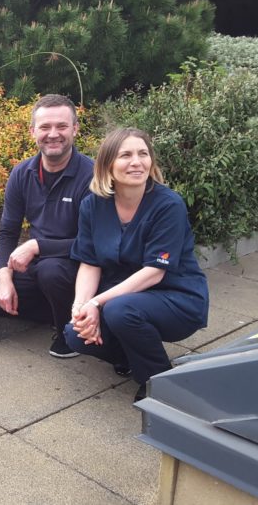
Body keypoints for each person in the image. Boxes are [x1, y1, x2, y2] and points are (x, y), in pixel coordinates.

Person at [64, 128, 209, 401]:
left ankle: (157, 381)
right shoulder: (92, 206)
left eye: (143, 154)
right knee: (74, 333)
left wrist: (97, 303)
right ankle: (133, 356)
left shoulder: (168, 205)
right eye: (125, 155)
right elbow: (89, 263)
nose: (136, 161)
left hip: (175, 297)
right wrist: (81, 307)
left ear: (151, 162)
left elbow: (154, 273)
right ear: (108, 165)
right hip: (123, 299)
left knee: (120, 310)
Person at [0, 94, 94, 357]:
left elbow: (92, 243)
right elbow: (8, 230)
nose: (53, 134)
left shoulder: (91, 176)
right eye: (45, 127)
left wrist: (37, 245)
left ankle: (68, 332)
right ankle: (62, 312)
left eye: (61, 126)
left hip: (78, 266)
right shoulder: (22, 173)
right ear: (32, 131)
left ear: (75, 129)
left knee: (51, 270)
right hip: (38, 265)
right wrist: (5, 277)